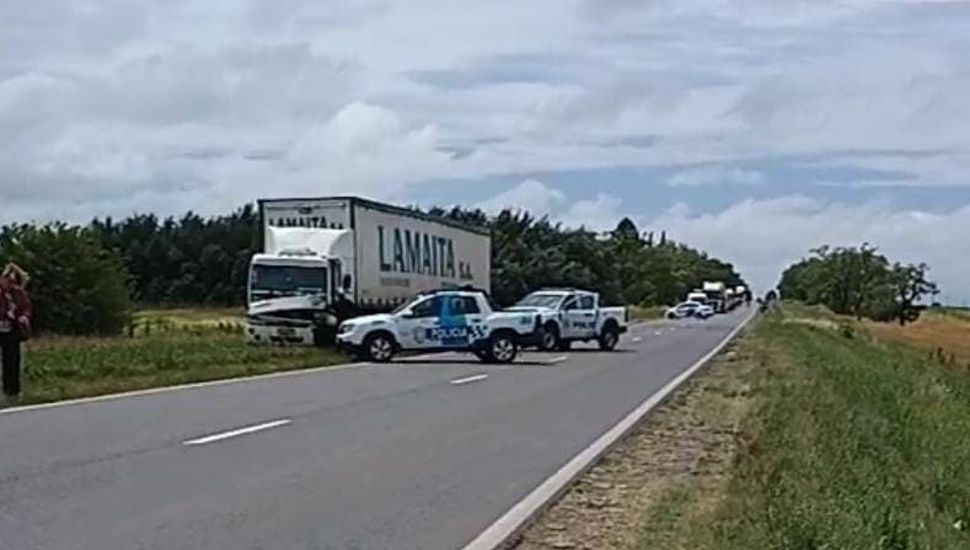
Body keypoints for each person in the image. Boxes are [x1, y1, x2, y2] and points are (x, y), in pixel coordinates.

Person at [0, 263, 32, 400]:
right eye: (7, 280)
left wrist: (24, 316)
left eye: (12, 281)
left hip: (12, 331)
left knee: (12, 361)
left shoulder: (19, 293)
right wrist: (6, 314)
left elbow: (26, 307)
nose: (10, 283)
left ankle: (12, 391)